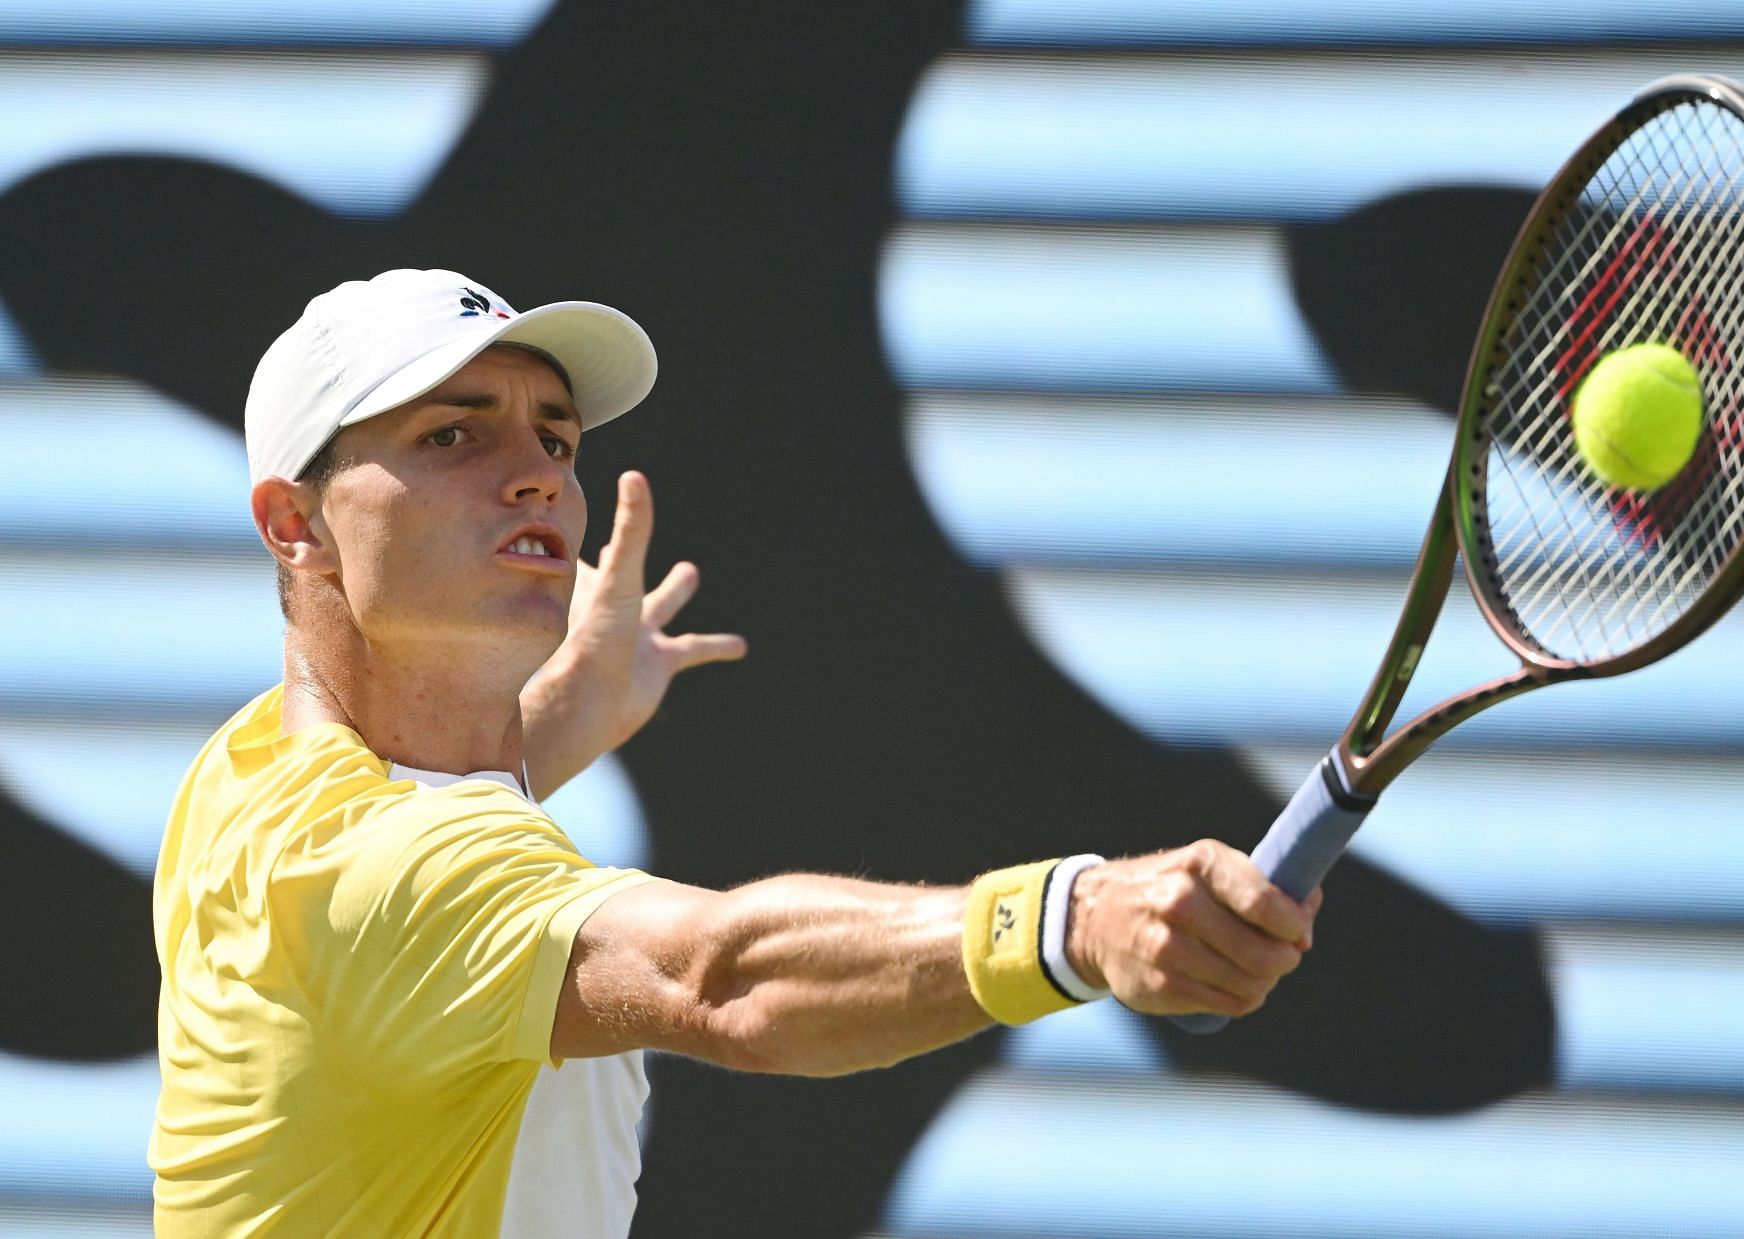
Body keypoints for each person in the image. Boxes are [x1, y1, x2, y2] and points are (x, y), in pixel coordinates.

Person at [149, 268, 1322, 1237]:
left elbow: (412, 860)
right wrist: (1075, 920)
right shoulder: (386, 882)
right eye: (451, 431)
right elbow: (716, 976)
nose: (539, 472)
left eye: (553, 434)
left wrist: (562, 710)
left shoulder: (250, 776)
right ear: (294, 524)